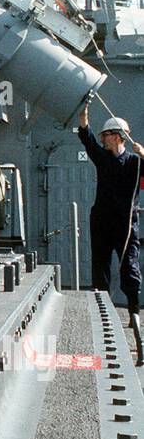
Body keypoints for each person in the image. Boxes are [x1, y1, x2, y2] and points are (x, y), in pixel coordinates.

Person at [78, 105, 143, 334]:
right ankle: (102, 313)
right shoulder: (103, 158)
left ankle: (133, 312)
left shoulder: (135, 162)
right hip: (102, 222)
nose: (103, 139)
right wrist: (84, 116)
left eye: (106, 135)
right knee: (100, 267)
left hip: (126, 224)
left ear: (117, 136)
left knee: (129, 266)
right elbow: (88, 140)